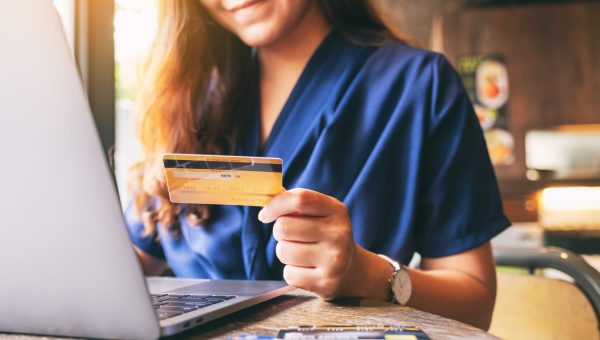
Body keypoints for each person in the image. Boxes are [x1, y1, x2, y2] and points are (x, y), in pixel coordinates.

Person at [125, 0, 511, 330]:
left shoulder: (418, 85)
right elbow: (128, 260)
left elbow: (476, 304)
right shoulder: (186, 100)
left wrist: (367, 274)